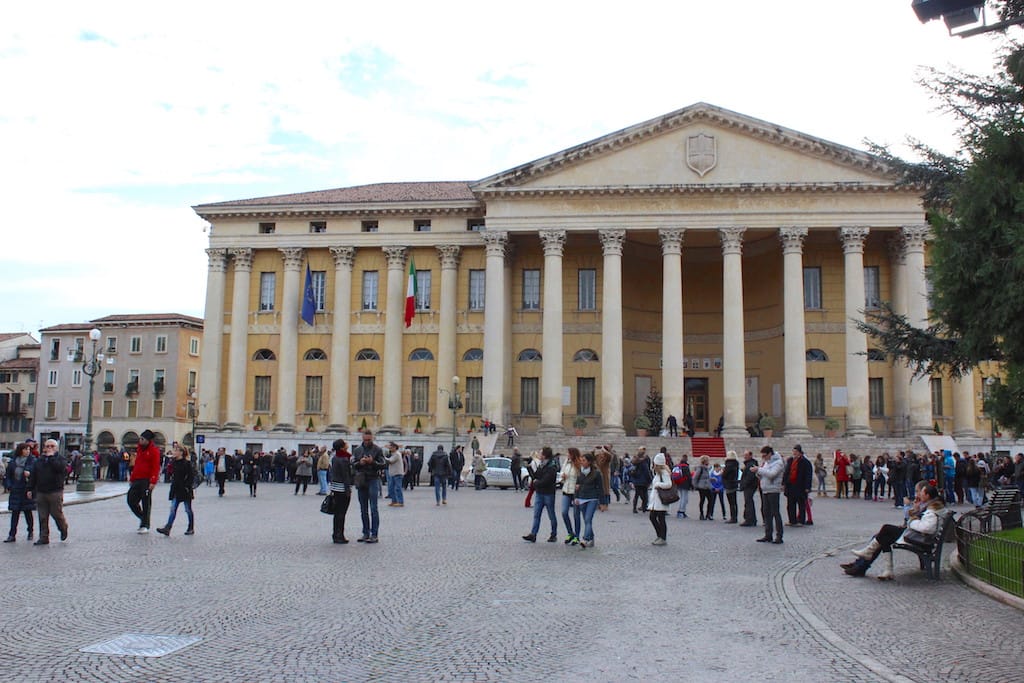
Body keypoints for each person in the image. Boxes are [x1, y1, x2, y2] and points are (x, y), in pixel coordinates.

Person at [841, 484, 946, 580]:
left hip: (919, 538)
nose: (918, 494)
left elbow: (926, 528)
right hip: (917, 535)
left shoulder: (931, 510)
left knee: (885, 531)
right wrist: (915, 510)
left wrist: (912, 520)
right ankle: (865, 564)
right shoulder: (929, 506)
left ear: (927, 495)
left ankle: (865, 561)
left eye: (920, 492)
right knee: (883, 536)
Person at [27, 439, 69, 545]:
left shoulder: (61, 459)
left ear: (56, 448)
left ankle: (63, 528)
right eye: (47, 446)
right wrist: (30, 489)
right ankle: (44, 537)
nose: (49, 448)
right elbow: (34, 475)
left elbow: (60, 469)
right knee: (42, 516)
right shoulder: (39, 460)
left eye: (52, 446)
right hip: (41, 492)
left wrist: (51, 458)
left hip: (55, 491)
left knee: (56, 514)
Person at [351, 430, 386, 543]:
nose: (366, 442)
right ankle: (365, 532)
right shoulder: (357, 450)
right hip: (361, 480)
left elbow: (383, 464)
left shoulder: (377, 450)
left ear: (372, 438)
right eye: (365, 440)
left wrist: (372, 462)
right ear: (362, 438)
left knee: (374, 508)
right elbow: (353, 464)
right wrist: (360, 463)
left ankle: (374, 534)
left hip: (373, 479)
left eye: (369, 440)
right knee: (363, 509)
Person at [156, 444, 195, 536]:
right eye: (174, 450)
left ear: (181, 452)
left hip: (185, 490)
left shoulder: (187, 463)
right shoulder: (173, 462)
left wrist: (187, 486)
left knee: (188, 509)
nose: (174, 452)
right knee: (173, 509)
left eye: (176, 450)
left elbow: (191, 477)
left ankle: (191, 528)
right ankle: (167, 528)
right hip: (176, 489)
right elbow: (170, 474)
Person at [522, 446, 558, 543]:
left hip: (548, 494)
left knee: (551, 515)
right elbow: (536, 476)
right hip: (540, 493)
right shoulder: (541, 465)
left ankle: (553, 534)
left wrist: (536, 483)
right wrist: (529, 467)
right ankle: (533, 534)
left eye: (541, 453)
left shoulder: (552, 466)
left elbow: (546, 480)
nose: (539, 454)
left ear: (545, 455)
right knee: (536, 515)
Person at [128, 429, 161, 533]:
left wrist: (153, 481)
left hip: (147, 480)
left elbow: (155, 467)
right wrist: (132, 478)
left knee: (146, 502)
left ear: (147, 440)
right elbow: (137, 465)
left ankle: (145, 525)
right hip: (137, 479)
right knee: (131, 500)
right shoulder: (139, 449)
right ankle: (143, 517)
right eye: (140, 438)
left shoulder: (154, 451)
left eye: (142, 439)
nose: (140, 440)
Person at [4, 442, 36, 542]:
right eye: (25, 449)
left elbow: (36, 474)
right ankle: (12, 535)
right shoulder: (13, 462)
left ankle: (30, 531)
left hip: (26, 490)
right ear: (20, 450)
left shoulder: (32, 461)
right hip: (15, 490)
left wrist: (30, 474)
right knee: (15, 513)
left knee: (28, 512)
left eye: (29, 449)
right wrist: (9, 486)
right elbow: (8, 475)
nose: (27, 451)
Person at [753, 446, 784, 544]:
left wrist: (759, 470)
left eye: (764, 455)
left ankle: (779, 536)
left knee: (775, 513)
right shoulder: (767, 463)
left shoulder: (778, 463)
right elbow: (764, 474)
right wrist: (757, 472)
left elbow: (772, 474)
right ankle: (768, 534)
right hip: (765, 489)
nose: (763, 457)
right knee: (766, 513)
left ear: (770, 454)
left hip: (773, 489)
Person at [575, 452, 603, 548]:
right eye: (581, 460)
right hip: (582, 498)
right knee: (587, 521)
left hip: (592, 498)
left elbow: (600, 488)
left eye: (584, 460)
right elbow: (577, 486)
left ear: (589, 462)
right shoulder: (580, 472)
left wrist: (602, 502)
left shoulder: (596, 473)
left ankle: (585, 539)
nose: (582, 462)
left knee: (588, 519)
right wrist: (576, 497)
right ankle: (591, 538)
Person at [329, 439, 353, 543]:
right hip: (342, 488)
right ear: (342, 447)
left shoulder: (335, 457)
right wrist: (348, 490)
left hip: (335, 487)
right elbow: (346, 475)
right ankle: (339, 535)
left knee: (337, 513)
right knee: (341, 513)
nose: (347, 444)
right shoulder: (344, 459)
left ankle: (336, 534)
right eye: (345, 443)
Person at [784, 445, 813, 526]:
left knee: (801, 504)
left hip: (800, 486)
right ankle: (792, 520)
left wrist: (807, 487)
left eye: (796, 452)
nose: (794, 453)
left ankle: (801, 520)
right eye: (793, 451)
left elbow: (808, 475)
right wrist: (784, 483)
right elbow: (786, 472)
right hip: (790, 485)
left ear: (800, 452)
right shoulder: (790, 460)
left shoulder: (805, 462)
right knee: (790, 504)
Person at [649, 453, 673, 545]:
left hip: (661, 500)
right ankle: (660, 535)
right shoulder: (658, 473)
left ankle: (662, 537)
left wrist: (658, 485)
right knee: (653, 517)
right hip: (656, 500)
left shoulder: (664, 473)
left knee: (660, 518)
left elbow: (669, 484)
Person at [560, 448, 582, 545]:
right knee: (564, 512)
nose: (567, 455)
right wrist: (562, 476)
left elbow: (582, 477)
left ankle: (577, 536)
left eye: (568, 453)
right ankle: (570, 532)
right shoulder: (566, 462)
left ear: (573, 454)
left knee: (576, 515)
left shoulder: (579, 464)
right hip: (566, 490)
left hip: (576, 492)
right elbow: (562, 472)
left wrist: (579, 485)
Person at [739, 450, 759, 527]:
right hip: (750, 485)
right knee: (748, 502)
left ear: (750, 456)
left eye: (746, 455)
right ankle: (751, 519)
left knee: (748, 502)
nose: (745, 456)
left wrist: (744, 484)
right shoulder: (750, 463)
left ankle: (750, 519)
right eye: (744, 455)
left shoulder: (751, 464)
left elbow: (750, 476)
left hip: (750, 486)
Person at [630, 448, 653, 514]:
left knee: (636, 495)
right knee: (644, 495)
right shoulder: (644, 462)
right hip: (643, 480)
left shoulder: (635, 461)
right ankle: (644, 507)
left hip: (636, 480)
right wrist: (650, 479)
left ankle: (634, 508)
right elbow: (647, 471)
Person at [671, 453, 692, 518]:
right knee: (684, 498)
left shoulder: (677, 466)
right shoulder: (686, 467)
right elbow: (689, 477)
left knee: (682, 498)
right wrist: (691, 485)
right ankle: (681, 511)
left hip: (678, 483)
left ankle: (681, 510)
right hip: (685, 484)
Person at [385, 442, 405, 506]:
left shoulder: (397, 454)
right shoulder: (393, 454)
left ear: (395, 447)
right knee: (392, 488)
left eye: (391, 447)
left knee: (398, 488)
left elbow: (391, 461)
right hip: (393, 473)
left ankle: (400, 502)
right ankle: (394, 501)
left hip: (397, 473)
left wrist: (383, 457)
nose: (390, 448)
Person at [692, 455, 712, 520]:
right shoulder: (700, 468)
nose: (709, 462)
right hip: (702, 486)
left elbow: (706, 477)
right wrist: (695, 486)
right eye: (708, 460)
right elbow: (695, 477)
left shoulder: (707, 468)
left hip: (708, 486)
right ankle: (701, 514)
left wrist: (711, 479)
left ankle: (708, 514)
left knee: (710, 500)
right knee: (702, 500)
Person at [723, 451, 739, 523]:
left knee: (731, 502)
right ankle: (735, 516)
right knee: (734, 502)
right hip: (734, 483)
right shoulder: (736, 464)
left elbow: (725, 474)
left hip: (729, 484)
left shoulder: (728, 464)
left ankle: (733, 517)